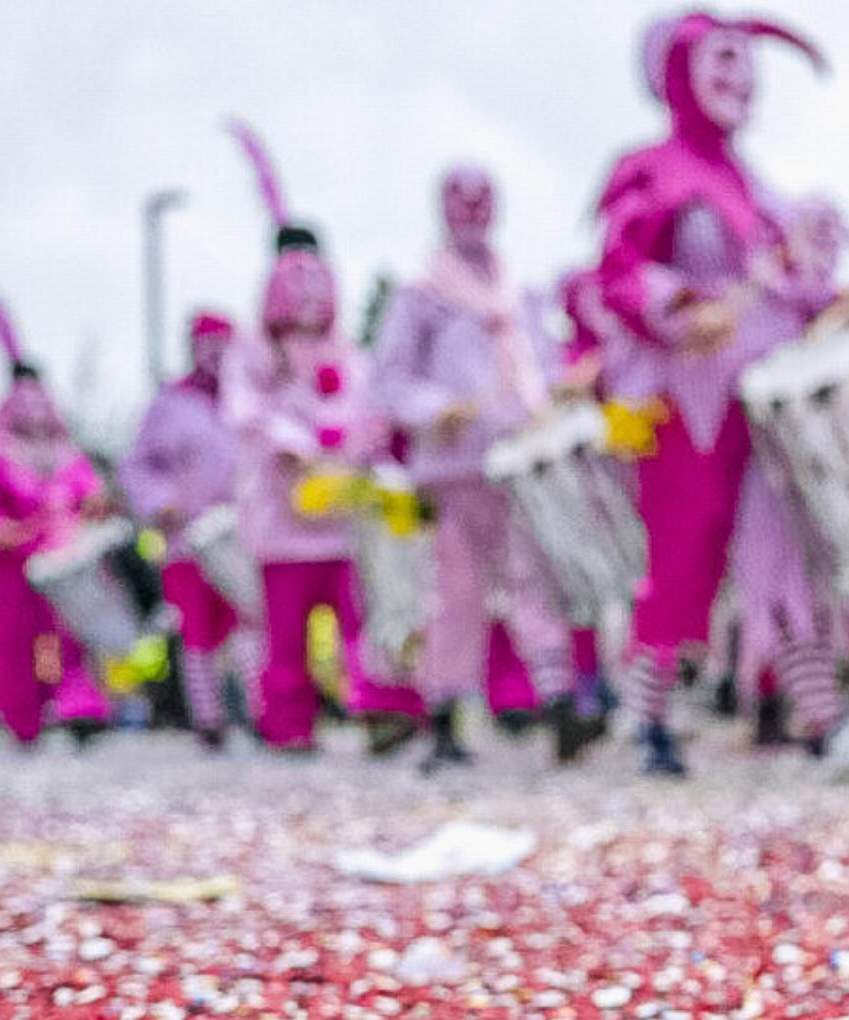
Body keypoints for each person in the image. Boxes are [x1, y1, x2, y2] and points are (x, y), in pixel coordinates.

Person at [590, 9, 849, 776]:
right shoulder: (649, 171)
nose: (741, 76)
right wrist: (678, 307)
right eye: (723, 59)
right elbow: (619, 274)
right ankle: (647, 719)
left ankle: (822, 719)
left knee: (784, 555)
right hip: (685, 404)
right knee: (683, 560)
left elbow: (786, 287)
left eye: (747, 61)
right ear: (679, 73)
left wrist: (833, 302)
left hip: (763, 407)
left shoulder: (759, 187)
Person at [372, 165, 602, 770]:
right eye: (463, 200)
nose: (473, 211)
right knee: (456, 592)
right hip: (456, 465)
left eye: (482, 200)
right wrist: (436, 410)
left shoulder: (515, 290)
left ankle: (559, 704)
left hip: (520, 461)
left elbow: (541, 364)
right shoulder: (421, 293)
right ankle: (445, 716)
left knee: (535, 583)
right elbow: (389, 378)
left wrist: (560, 391)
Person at [221, 120, 423, 756]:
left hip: (342, 517)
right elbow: (245, 411)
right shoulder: (253, 352)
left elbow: (368, 407)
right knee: (286, 633)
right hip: (282, 521)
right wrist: (293, 440)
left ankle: (383, 706)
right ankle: (288, 724)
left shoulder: (345, 353)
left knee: (362, 618)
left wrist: (352, 440)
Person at [0, 269, 113, 746]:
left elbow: (88, 489)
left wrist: (95, 503)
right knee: (15, 644)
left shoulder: (65, 452)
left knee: (67, 639)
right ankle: (23, 717)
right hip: (12, 567)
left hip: (63, 564)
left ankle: (77, 705)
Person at [119, 311, 253, 748]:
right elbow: (138, 465)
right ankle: (208, 718)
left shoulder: (248, 395)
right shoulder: (171, 404)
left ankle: (260, 712)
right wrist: (161, 502)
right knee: (197, 629)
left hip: (244, 534)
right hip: (186, 536)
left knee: (250, 621)